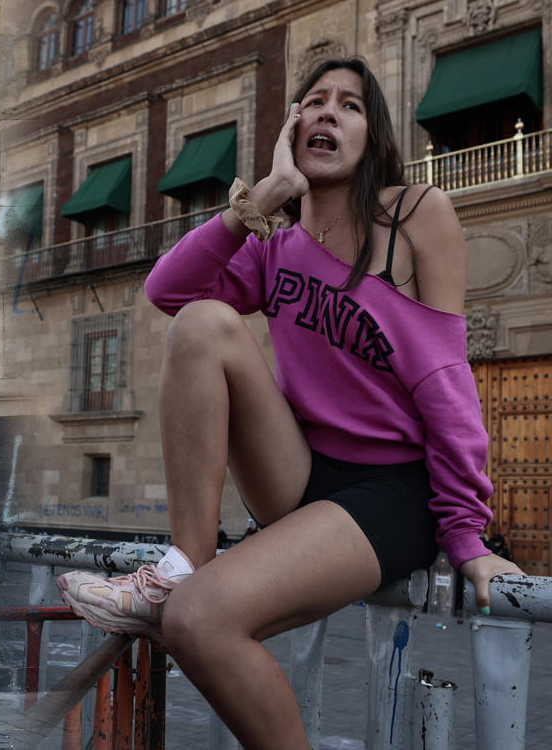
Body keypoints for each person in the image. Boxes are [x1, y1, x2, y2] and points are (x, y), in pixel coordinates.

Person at [57, 57, 525, 749]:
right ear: (291, 126)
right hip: (301, 472)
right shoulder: (277, 247)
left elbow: (444, 382)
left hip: (392, 492)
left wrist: (466, 537)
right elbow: (167, 293)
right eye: (314, 101)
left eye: (350, 105)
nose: (329, 113)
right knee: (204, 323)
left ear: (374, 135)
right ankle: (182, 563)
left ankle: (185, 598)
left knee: (198, 623)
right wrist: (267, 195)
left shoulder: (416, 215)